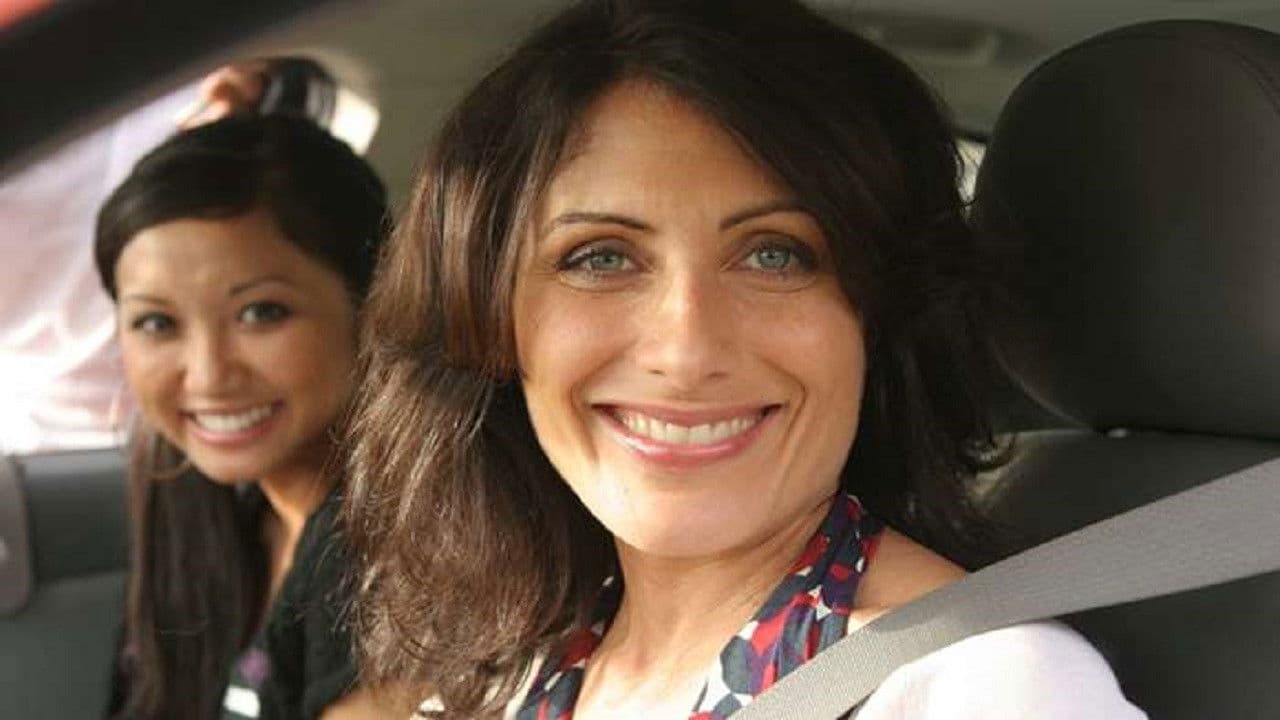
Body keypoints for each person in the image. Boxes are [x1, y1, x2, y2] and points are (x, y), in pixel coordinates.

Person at [343, 1, 1146, 718]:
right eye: (600, 257)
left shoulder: (987, 688)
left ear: (882, 316)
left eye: (775, 255)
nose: (685, 351)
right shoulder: (516, 676)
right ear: (490, 318)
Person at [95, 114, 392, 720]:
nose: (207, 376)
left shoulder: (408, 550)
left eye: (261, 313)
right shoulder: (210, 520)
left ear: (373, 306)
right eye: (157, 323)